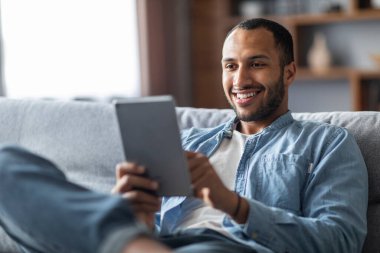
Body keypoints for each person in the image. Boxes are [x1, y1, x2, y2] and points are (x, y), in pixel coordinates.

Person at [0, 18, 368, 253]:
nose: (239, 80)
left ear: (288, 73)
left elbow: (340, 241)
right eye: (230, 66)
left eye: (256, 64)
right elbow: (151, 223)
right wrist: (130, 208)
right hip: (157, 243)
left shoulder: (326, 143)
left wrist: (231, 203)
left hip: (224, 248)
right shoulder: (190, 141)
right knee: (7, 166)